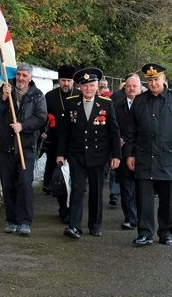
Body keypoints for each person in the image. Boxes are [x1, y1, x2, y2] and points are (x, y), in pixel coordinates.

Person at [125, 63, 172, 247]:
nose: (153, 83)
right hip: (143, 156)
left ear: (164, 79)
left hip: (167, 156)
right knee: (144, 199)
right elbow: (131, 131)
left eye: (156, 79)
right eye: (150, 80)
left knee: (167, 198)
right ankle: (145, 233)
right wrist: (129, 154)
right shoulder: (139, 101)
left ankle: (165, 232)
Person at [56, 68, 121, 239]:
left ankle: (95, 225)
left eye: (92, 85)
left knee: (96, 191)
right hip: (76, 154)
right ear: (80, 87)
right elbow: (64, 131)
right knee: (77, 189)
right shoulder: (71, 103)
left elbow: (114, 131)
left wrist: (116, 155)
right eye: (85, 86)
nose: (88, 89)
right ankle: (74, 226)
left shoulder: (106, 103)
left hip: (99, 155)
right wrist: (60, 154)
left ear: (97, 86)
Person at [0, 63, 47, 236]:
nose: (20, 78)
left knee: (25, 184)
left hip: (25, 147)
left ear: (30, 78)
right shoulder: (6, 89)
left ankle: (25, 221)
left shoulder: (37, 95)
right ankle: (11, 220)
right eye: (19, 74)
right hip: (5, 147)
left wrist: (24, 126)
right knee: (8, 184)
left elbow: (41, 117)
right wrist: (3, 98)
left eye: (24, 75)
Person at [42, 64, 81, 223]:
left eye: (69, 80)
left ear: (73, 82)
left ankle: (71, 209)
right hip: (55, 144)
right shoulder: (50, 96)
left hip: (75, 144)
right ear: (59, 80)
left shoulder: (79, 95)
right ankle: (62, 208)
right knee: (59, 178)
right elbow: (43, 118)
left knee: (73, 178)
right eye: (63, 80)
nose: (66, 84)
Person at [111, 73, 142, 230]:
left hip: (142, 151)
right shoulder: (117, 105)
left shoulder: (146, 105)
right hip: (123, 150)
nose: (131, 88)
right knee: (126, 186)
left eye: (134, 86)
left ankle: (141, 215)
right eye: (128, 86)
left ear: (140, 88)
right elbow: (112, 126)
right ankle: (130, 217)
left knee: (140, 187)